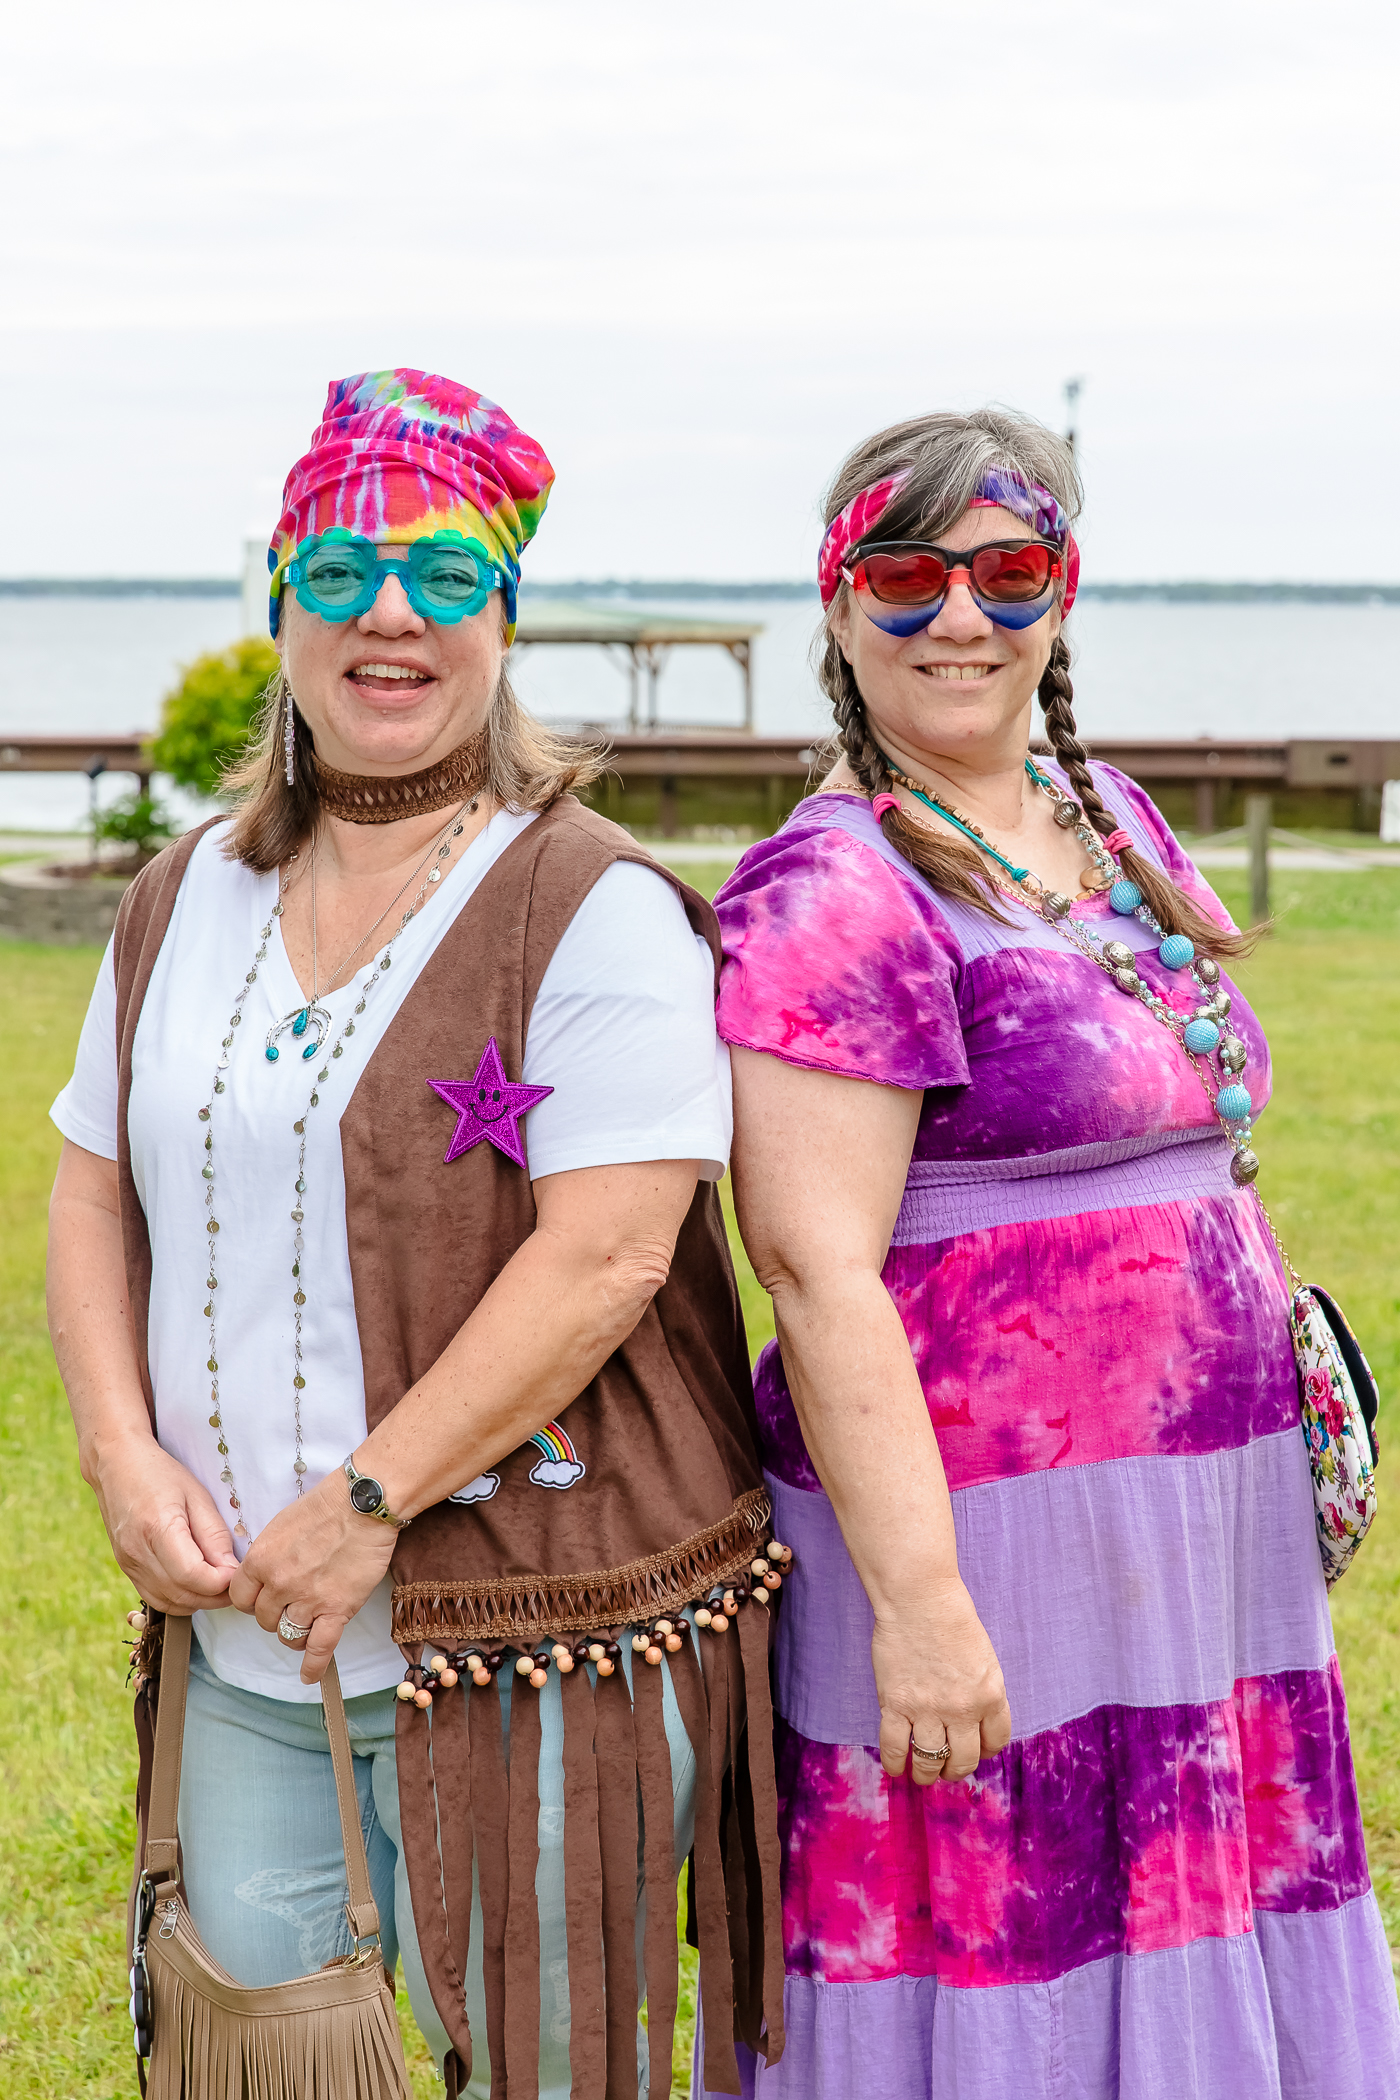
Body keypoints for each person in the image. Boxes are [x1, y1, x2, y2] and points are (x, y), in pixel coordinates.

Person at [47, 369, 785, 2100]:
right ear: (282, 599)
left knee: (540, 2068)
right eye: (342, 568)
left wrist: (364, 1507)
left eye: (446, 575)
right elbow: (91, 1184)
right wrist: (118, 1454)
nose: (391, 613)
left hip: (536, 1643)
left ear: (504, 617)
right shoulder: (181, 895)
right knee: (269, 2059)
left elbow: (608, 1257)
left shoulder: (589, 904)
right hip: (246, 1642)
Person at [700, 408, 1400, 2097]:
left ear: (1062, 593)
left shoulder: (1111, 820)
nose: (962, 614)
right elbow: (813, 1267)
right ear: (839, 601)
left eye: (1008, 571)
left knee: (1187, 1886)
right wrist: (923, 1609)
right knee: (1002, 1915)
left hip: (1192, 1526)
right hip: (980, 1532)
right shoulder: (828, 886)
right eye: (907, 575)